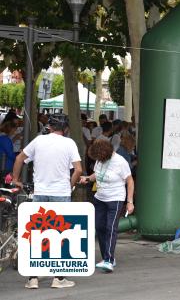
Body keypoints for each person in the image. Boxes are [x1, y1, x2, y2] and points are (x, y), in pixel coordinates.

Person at [12, 113, 82, 289]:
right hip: (61, 193)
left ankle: (32, 278)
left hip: (40, 192)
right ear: (66, 129)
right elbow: (78, 170)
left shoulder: (38, 141)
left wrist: (15, 178)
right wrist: (70, 186)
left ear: (49, 127)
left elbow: (20, 158)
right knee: (61, 234)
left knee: (38, 233)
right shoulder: (69, 143)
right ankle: (58, 278)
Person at [79, 140, 134, 272]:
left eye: (99, 159)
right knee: (99, 227)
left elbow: (130, 181)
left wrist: (130, 201)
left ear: (106, 155)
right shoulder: (100, 159)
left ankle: (109, 260)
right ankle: (107, 258)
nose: (98, 161)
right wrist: (87, 178)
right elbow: (97, 174)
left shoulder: (120, 162)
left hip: (115, 199)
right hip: (100, 198)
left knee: (111, 228)